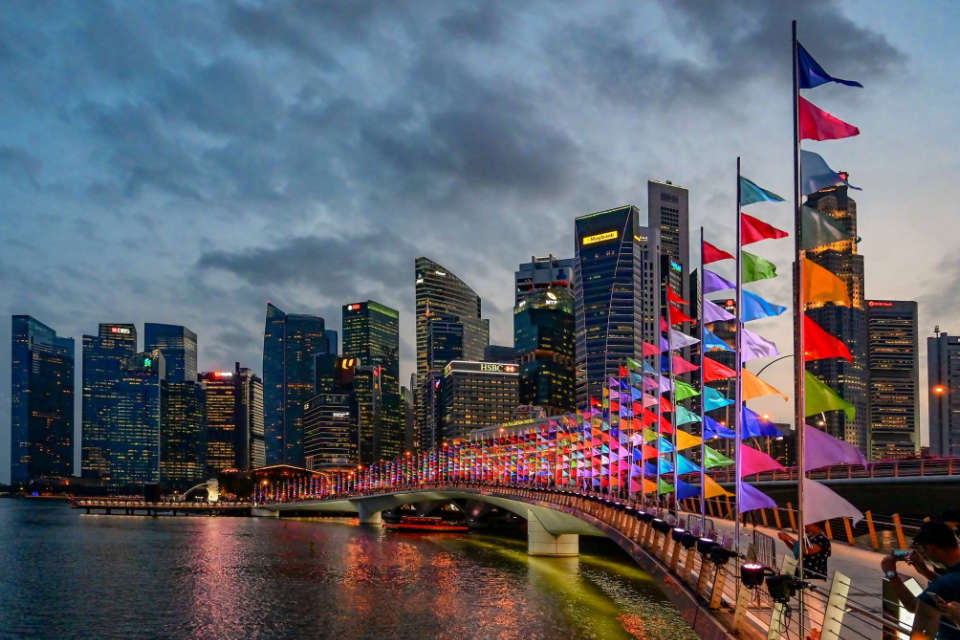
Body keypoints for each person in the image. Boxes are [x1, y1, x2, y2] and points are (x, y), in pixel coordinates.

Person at [882, 520, 960, 639]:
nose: (925, 555)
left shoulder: (943, 584)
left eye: (924, 551)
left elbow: (913, 606)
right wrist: (925, 571)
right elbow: (951, 586)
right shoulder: (949, 580)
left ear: (932, 548)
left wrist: (891, 574)